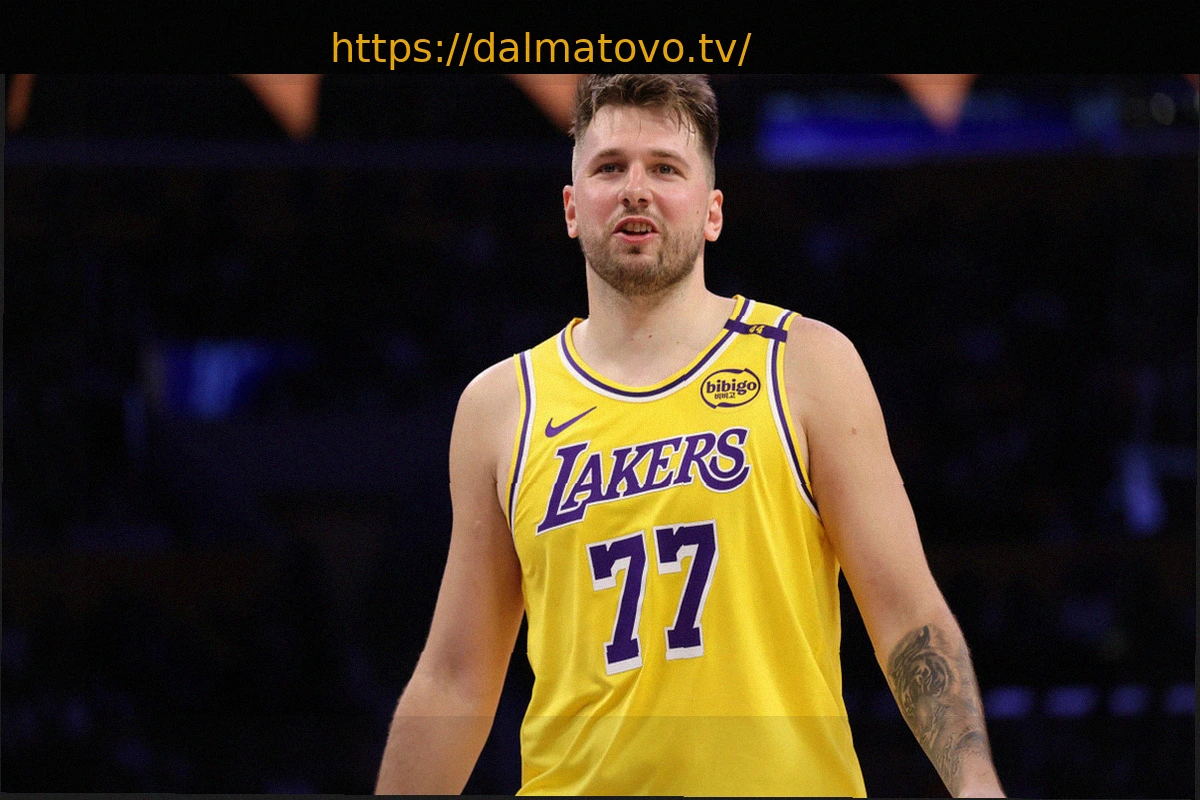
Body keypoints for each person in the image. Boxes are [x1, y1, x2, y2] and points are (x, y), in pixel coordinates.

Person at [375, 73, 1005, 797]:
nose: (635, 190)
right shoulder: (501, 405)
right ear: (572, 208)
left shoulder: (804, 363)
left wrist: (976, 783)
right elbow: (456, 676)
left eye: (665, 169)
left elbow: (906, 613)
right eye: (610, 167)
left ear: (712, 212)